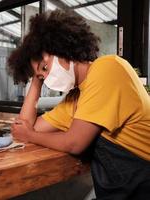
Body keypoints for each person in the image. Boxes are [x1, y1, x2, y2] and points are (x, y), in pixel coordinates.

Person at [8, 10, 150, 199]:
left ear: (61, 48)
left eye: (45, 68)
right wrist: (36, 82)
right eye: (42, 77)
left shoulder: (108, 68)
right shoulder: (75, 99)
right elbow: (26, 126)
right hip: (122, 188)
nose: (47, 78)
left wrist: (30, 135)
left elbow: (75, 143)